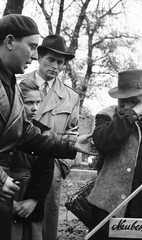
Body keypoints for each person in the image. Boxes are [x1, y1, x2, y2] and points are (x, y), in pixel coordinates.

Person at [0, 14, 95, 240]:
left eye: (61, 62)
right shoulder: (18, 81)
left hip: (41, 173)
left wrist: (69, 152)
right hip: (11, 174)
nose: (34, 55)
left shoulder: (10, 80)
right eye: (33, 47)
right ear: (10, 42)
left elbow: (27, 133)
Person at [88, 69, 142, 240]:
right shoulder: (106, 116)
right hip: (108, 208)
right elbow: (102, 142)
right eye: (124, 101)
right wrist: (133, 114)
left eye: (134, 101)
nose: (127, 106)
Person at [18, 34, 80, 240]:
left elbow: (73, 132)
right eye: (51, 60)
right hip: (17, 163)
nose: (55, 66)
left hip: (49, 170)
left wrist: (60, 167)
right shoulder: (16, 83)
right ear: (39, 56)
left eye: (60, 62)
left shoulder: (71, 97)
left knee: (43, 228)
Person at [10, 79, 54, 240]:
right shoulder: (5, 132)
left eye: (38, 102)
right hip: (6, 199)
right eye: (29, 102)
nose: (35, 108)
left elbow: (46, 172)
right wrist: (8, 204)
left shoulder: (42, 133)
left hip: (30, 203)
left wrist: (34, 200)